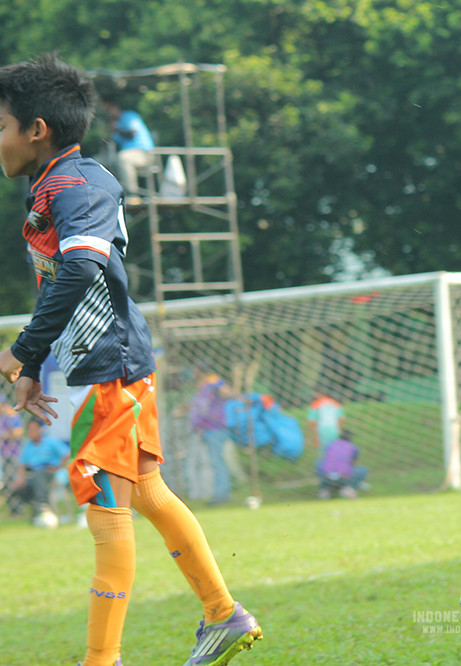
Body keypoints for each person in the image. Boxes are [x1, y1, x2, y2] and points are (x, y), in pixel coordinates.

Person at [0, 54, 261, 666]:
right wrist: (34, 367)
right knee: (145, 491)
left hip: (108, 368)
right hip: (105, 363)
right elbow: (67, 281)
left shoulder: (78, 184)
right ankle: (223, 614)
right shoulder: (57, 183)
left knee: (107, 507)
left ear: (37, 129)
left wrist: (23, 349)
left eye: (0, 125)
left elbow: (81, 270)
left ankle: (102, 659)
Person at [8, 418, 69, 523]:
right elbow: (22, 464)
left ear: (41, 429)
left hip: (50, 472)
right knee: (19, 488)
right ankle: (36, 507)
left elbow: (66, 455)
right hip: (34, 474)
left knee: (39, 475)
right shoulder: (28, 445)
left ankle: (43, 505)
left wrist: (57, 467)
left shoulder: (51, 442)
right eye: (29, 429)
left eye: (34, 429)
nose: (31, 432)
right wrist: (21, 479)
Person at [189, 370, 232, 505]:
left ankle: (221, 495)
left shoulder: (213, 383)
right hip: (204, 430)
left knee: (217, 461)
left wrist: (215, 383)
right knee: (211, 462)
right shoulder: (201, 390)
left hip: (216, 429)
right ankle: (219, 493)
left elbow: (227, 393)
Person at [102, 98, 153, 196]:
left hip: (143, 153)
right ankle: (106, 195)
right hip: (126, 153)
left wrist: (116, 129)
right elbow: (112, 145)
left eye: (109, 109)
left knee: (123, 158)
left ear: (115, 107)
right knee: (101, 161)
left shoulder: (129, 116)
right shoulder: (115, 123)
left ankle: (132, 194)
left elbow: (132, 134)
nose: (108, 113)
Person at [316, 430, 368, 499]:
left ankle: (324, 489)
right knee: (363, 470)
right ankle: (348, 488)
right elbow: (354, 463)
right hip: (343, 479)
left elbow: (326, 459)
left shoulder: (330, 444)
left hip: (326, 477)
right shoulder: (353, 447)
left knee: (320, 463)